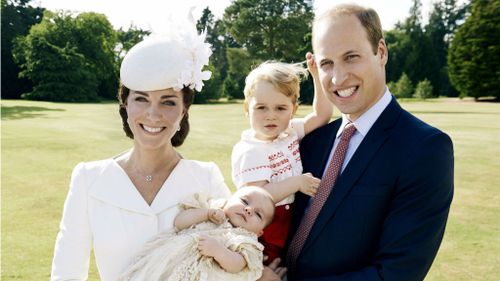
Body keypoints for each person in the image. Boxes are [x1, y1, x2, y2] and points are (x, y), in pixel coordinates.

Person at [266, 4, 453, 281]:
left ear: (381, 52)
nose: (339, 78)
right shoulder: (312, 142)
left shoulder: (425, 149)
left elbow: (395, 273)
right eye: (327, 63)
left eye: (351, 57)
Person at [50, 19, 231, 281]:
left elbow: (235, 250)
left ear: (183, 111)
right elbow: (67, 272)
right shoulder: (88, 179)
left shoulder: (206, 178)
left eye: (167, 102)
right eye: (141, 99)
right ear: (125, 105)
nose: (153, 114)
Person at [231, 60, 333, 264]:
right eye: (261, 107)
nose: (271, 116)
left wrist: (317, 78)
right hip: (264, 224)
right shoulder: (250, 151)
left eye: (280, 108)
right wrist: (297, 182)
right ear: (246, 108)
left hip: (290, 216)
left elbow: (322, 115)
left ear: (293, 109)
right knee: (267, 265)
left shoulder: (289, 132)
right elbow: (259, 197)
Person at [118, 186, 276, 281]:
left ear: (260, 231)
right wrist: (206, 213)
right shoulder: (211, 208)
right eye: (245, 201)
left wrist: (219, 251)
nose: (248, 209)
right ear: (230, 198)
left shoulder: (246, 240)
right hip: (171, 261)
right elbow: (180, 222)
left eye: (258, 214)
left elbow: (238, 264)